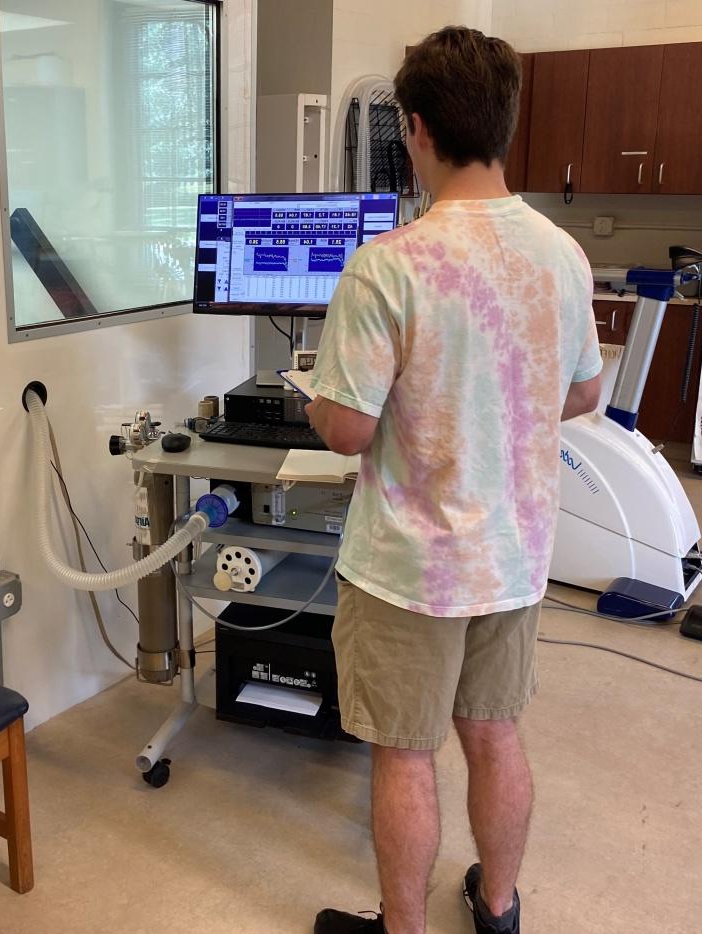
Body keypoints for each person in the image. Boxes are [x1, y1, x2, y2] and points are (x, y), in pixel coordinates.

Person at [305, 27, 603, 934]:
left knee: (404, 753)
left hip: (410, 568)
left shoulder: (388, 265)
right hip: (511, 561)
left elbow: (349, 427)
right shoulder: (561, 253)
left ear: (418, 129)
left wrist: (321, 402)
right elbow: (583, 390)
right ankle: (499, 909)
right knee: (495, 733)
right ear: (505, 125)